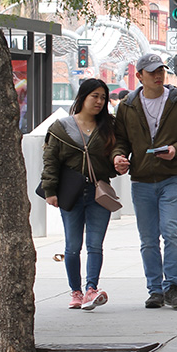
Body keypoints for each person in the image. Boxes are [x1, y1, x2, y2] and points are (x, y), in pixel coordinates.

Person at [113, 53, 177, 310]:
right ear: (139, 76)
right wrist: (119, 157)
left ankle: (172, 286)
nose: (158, 75)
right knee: (148, 238)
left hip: (171, 177)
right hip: (141, 180)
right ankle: (154, 289)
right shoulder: (127, 107)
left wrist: (175, 150)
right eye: (151, 72)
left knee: (172, 231)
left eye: (161, 70)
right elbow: (120, 140)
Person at [41, 78, 117, 311]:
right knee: (73, 246)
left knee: (95, 245)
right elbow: (50, 161)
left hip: (99, 193)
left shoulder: (109, 127)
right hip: (71, 193)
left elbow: (116, 155)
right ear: (82, 97)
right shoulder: (61, 128)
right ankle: (75, 291)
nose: (99, 101)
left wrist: (119, 163)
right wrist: (50, 191)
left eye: (103, 97)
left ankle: (91, 289)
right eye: (94, 96)